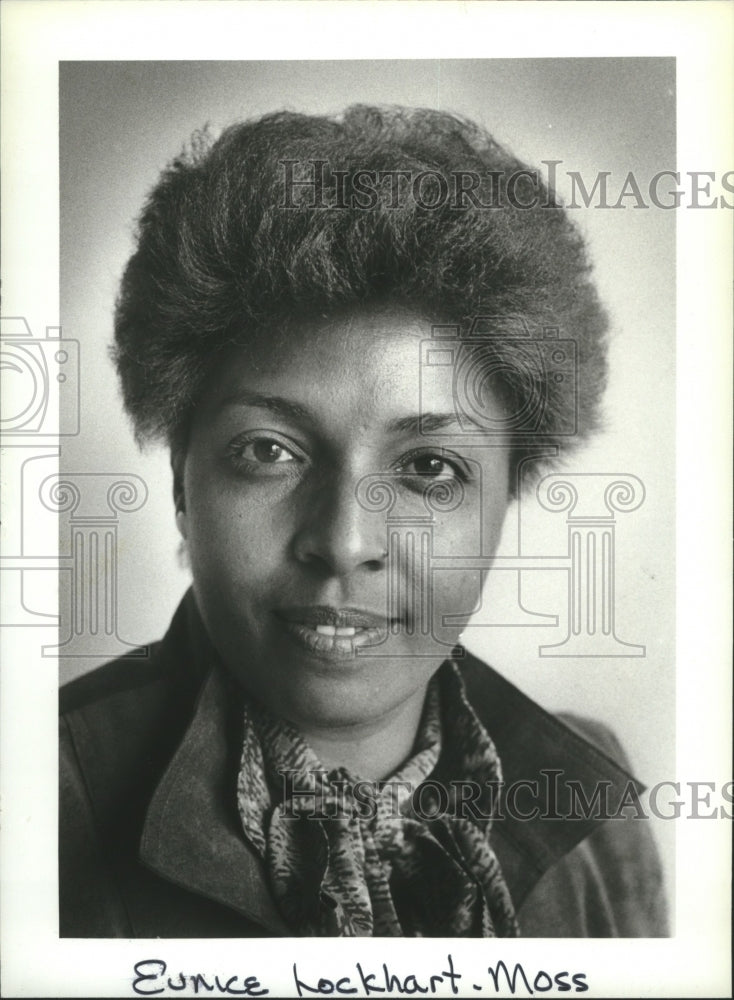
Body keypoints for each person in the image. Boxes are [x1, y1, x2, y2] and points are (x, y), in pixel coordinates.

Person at [59, 105, 668, 938]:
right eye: (269, 451)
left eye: (428, 469)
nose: (343, 541)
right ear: (179, 479)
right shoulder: (31, 799)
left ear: (505, 499)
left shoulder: (595, 816)